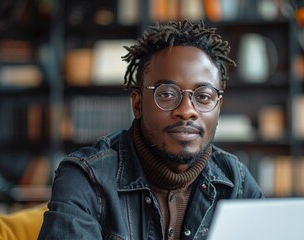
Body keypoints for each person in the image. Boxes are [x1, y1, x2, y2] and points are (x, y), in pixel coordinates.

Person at [38, 19, 264, 240]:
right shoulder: (87, 178)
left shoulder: (237, 183)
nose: (186, 111)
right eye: (166, 94)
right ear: (138, 104)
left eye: (203, 96)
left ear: (218, 108)